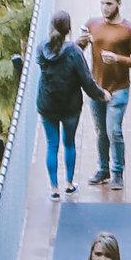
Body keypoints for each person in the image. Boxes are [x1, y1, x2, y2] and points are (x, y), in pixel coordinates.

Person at [84, 0, 131, 188]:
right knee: (101, 131)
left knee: (114, 130)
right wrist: (81, 41)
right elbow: (77, 48)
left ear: (119, 3)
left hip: (119, 89)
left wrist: (117, 58)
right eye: (102, 3)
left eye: (109, 4)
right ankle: (103, 169)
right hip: (96, 89)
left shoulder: (130, 31)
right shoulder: (92, 24)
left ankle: (117, 173)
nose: (105, 8)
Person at [37, 13, 99, 194]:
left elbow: (57, 59)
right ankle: (69, 184)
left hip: (47, 105)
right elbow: (86, 80)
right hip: (70, 106)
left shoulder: (41, 49)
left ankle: (54, 188)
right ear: (69, 30)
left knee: (52, 144)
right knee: (69, 143)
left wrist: (77, 46)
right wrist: (101, 95)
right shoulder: (74, 51)